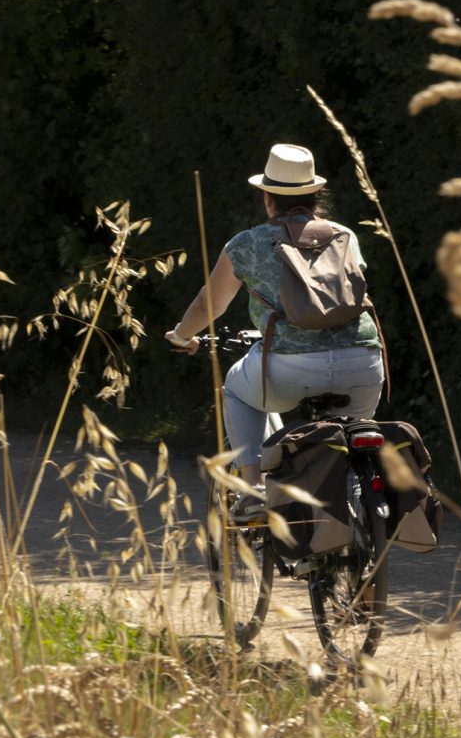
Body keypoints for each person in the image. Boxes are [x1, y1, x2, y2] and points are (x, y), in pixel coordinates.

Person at [164, 143, 385, 517]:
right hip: (364, 363)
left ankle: (253, 489)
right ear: (316, 196)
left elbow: (210, 305)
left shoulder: (247, 244)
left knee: (236, 388)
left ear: (267, 197)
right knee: (350, 442)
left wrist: (182, 336)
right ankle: (354, 525)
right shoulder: (344, 235)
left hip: (289, 369)